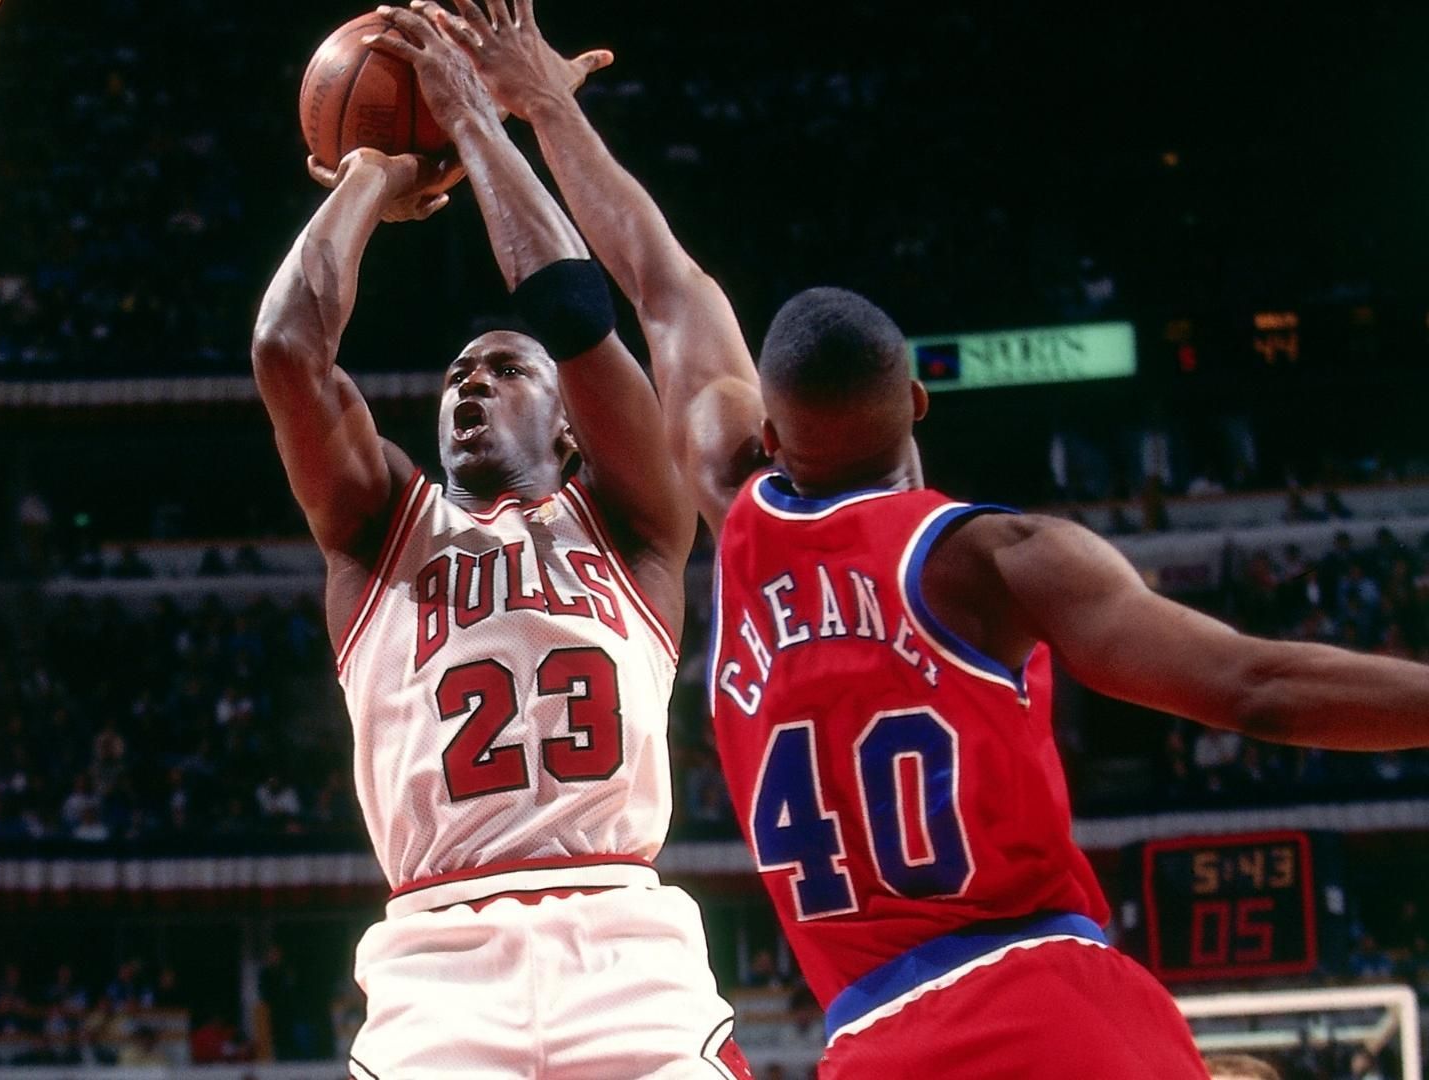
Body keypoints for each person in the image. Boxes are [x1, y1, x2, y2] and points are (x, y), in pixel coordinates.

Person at [438, 2, 1429, 1076]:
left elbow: (662, 278)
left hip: (875, 1041)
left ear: (770, 431)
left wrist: (539, 106)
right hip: (1056, 1009)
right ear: (917, 401)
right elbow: (1257, 687)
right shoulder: (994, 559)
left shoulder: (736, 493)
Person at [251, 6, 743, 1077]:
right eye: (457, 375)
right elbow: (287, 349)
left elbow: (572, 312)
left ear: (569, 423)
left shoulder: (636, 519)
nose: (471, 383)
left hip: (625, 943)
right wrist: (372, 179)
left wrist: (478, 121)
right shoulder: (380, 528)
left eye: (504, 371)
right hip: (436, 956)